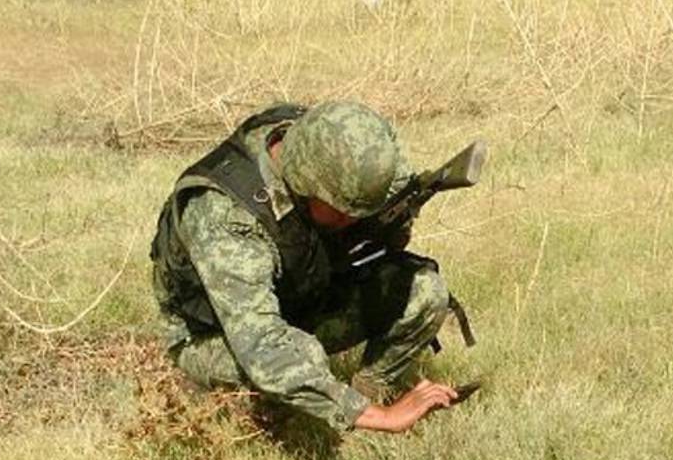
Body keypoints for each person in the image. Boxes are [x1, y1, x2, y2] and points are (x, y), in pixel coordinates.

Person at [149, 101, 462, 434]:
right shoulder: (224, 218)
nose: (351, 220)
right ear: (307, 184)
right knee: (297, 356)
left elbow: (394, 181)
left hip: (298, 293)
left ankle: (369, 394)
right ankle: (235, 403)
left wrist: (395, 220)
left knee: (424, 292)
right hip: (211, 336)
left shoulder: (322, 139)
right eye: (344, 211)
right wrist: (382, 418)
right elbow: (263, 348)